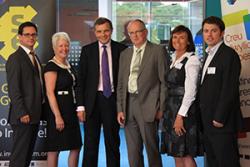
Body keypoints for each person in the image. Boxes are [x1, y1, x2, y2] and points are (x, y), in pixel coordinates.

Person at [117, 19, 168, 167]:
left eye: (138, 31)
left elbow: (164, 82)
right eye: (131, 33)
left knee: (152, 149)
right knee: (133, 151)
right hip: (128, 105)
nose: (134, 35)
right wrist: (120, 109)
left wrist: (161, 108)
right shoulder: (125, 54)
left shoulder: (158, 51)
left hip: (149, 106)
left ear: (145, 32)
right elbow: (121, 84)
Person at [76, 17, 127, 167]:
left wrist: (123, 106)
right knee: (91, 143)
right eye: (99, 31)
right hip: (92, 101)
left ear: (111, 31)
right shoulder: (87, 51)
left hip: (112, 99)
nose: (103, 34)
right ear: (95, 32)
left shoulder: (122, 49)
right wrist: (80, 106)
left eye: (106, 31)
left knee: (112, 142)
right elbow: (81, 81)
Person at [199, 16, 243, 167]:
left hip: (221, 123)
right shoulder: (208, 54)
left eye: (213, 31)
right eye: (206, 31)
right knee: (213, 162)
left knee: (227, 162)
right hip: (207, 122)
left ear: (222, 33)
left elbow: (229, 89)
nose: (209, 35)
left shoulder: (228, 55)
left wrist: (219, 118)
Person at [160, 25, 203, 167]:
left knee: (185, 154)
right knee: (176, 153)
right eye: (175, 37)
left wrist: (180, 116)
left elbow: (191, 92)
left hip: (184, 112)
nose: (177, 40)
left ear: (189, 41)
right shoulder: (174, 59)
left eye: (182, 37)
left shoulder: (191, 60)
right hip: (171, 110)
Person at [6, 21, 43, 167]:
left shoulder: (34, 56)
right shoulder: (15, 58)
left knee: (26, 157)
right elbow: (14, 89)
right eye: (27, 34)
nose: (31, 37)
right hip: (23, 117)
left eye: (33, 34)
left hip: (34, 114)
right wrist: (22, 112)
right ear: (19, 37)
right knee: (19, 158)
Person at [44, 32, 82, 167]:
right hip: (58, 111)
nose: (64, 49)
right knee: (55, 149)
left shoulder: (68, 64)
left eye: (66, 45)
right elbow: (49, 93)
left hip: (70, 110)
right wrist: (58, 116)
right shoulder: (51, 66)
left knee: (76, 146)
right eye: (60, 46)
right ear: (54, 47)